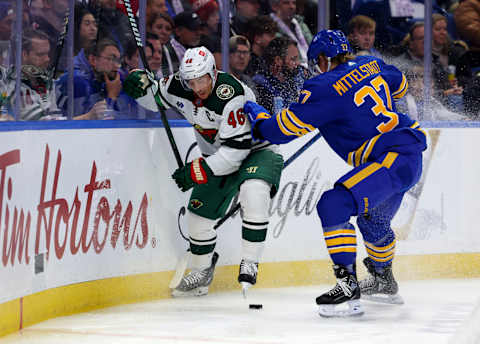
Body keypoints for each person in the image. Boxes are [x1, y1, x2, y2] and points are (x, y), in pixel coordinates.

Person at [243, 30, 428, 317]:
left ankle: (347, 288)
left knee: (334, 204)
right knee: (374, 223)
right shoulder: (372, 64)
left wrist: (258, 118)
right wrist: (351, 109)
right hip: (408, 155)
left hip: (391, 158)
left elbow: (280, 132)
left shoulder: (321, 86)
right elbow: (400, 85)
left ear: (321, 58)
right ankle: (383, 280)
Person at [123, 46, 283, 297]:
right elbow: (154, 99)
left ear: (213, 73)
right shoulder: (178, 85)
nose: (197, 87)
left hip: (256, 151)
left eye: (202, 80)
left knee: (253, 192)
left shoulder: (232, 95)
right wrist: (138, 86)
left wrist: (195, 172)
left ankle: (250, 262)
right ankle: (201, 272)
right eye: (191, 81)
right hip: (216, 156)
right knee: (198, 218)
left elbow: (234, 155)